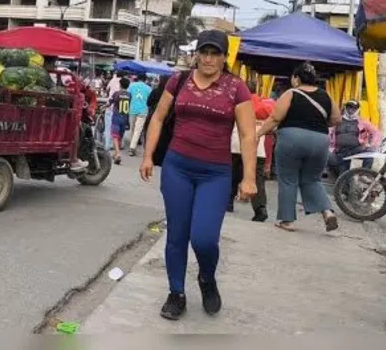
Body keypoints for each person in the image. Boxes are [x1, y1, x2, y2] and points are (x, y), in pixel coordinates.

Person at [140, 30, 257, 321]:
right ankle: (176, 293)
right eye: (203, 52)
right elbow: (158, 117)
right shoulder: (179, 80)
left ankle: (207, 278)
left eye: (214, 53)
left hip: (215, 173)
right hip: (177, 167)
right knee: (177, 235)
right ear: (196, 54)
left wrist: (250, 177)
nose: (208, 58)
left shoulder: (236, 88)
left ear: (224, 57)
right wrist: (148, 155)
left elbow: (247, 133)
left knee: (204, 239)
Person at [256, 62, 341, 233]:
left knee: (288, 179)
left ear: (296, 78)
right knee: (312, 179)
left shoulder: (291, 93)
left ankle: (287, 221)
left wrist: (257, 134)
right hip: (320, 140)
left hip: (291, 138)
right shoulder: (325, 95)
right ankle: (327, 212)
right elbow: (336, 119)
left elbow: (275, 118)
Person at [228, 79, 275, 222]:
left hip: (236, 144)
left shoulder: (236, 103)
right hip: (257, 147)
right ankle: (260, 209)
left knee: (232, 175)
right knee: (258, 180)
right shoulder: (265, 105)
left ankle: (227, 203)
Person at [326, 100, 381, 178]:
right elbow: (327, 132)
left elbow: (376, 132)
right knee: (343, 177)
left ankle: (364, 176)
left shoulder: (363, 121)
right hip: (340, 151)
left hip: (357, 150)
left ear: (358, 109)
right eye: (349, 107)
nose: (351, 110)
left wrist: (373, 144)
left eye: (354, 108)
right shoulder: (337, 120)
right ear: (345, 108)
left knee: (369, 156)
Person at [127, 74, 152, 156]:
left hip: (132, 109)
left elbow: (128, 96)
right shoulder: (148, 88)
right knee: (138, 130)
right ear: (145, 80)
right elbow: (150, 100)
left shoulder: (132, 86)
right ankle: (132, 147)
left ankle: (132, 146)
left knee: (132, 128)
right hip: (143, 110)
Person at [109, 77, 131, 165]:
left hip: (116, 117)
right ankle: (115, 154)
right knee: (120, 137)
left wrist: (104, 106)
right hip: (124, 118)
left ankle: (118, 154)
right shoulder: (129, 95)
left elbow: (110, 102)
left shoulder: (117, 93)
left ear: (120, 85)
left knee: (114, 136)